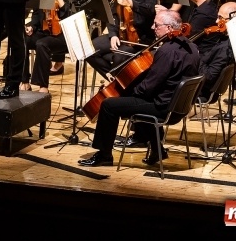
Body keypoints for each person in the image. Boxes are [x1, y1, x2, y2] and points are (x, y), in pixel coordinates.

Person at [78, 10, 200, 167]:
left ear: (169, 28)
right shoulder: (192, 47)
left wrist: (125, 92)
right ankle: (158, 150)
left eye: (156, 24)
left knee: (109, 105)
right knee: (138, 100)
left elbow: (149, 87)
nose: (152, 27)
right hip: (178, 106)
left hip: (163, 108)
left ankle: (104, 155)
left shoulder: (166, 51)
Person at [86, 0, 159, 78]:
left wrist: (131, 3)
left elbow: (149, 10)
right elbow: (114, 13)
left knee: (119, 56)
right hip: (121, 34)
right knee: (88, 50)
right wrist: (113, 34)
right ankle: (114, 80)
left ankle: (117, 84)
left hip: (139, 39)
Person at [25, 0, 70, 93]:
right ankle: (24, 80)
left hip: (60, 34)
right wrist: (31, 25)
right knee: (21, 39)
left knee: (41, 44)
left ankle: (43, 87)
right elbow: (37, 13)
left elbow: (71, 16)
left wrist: (61, 1)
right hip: (42, 30)